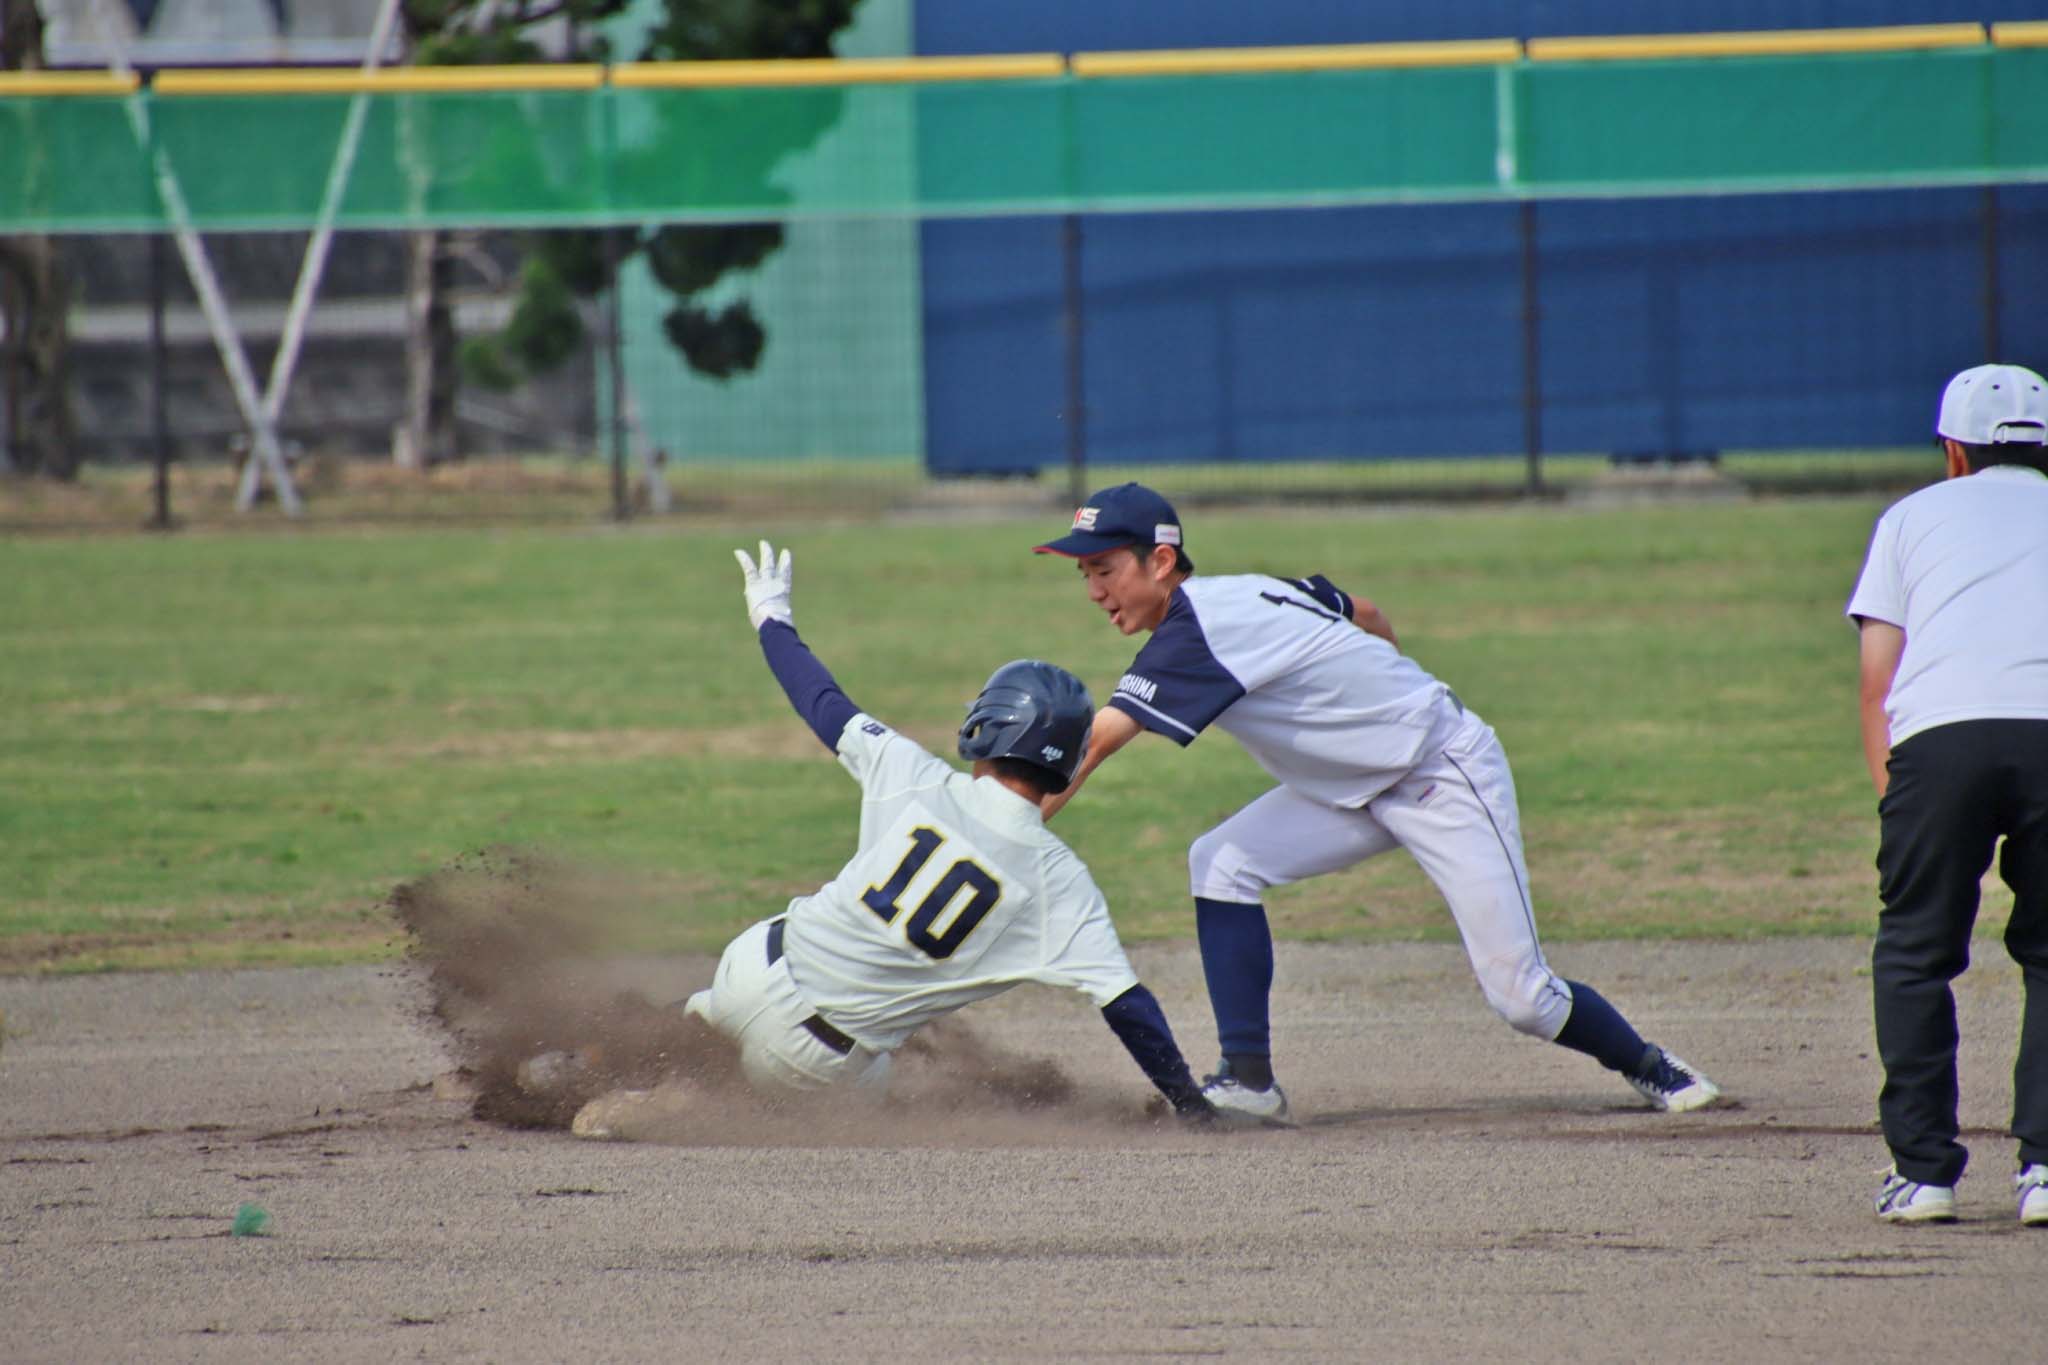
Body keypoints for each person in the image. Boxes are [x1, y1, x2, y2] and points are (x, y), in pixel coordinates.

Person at [1032, 483, 1722, 1125]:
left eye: (1104, 568)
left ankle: (1654, 1067)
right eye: (1083, 574)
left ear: (1159, 559)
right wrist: (1386, 679)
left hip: (1441, 774)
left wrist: (1010, 823)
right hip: (1352, 786)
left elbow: (1091, 746)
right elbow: (1364, 612)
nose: (1093, 590)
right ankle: (1248, 1079)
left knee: (1523, 998)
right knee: (1219, 863)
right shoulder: (1239, 592)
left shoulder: (1195, 632)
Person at [644, 540, 1215, 1123]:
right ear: (1067, 764)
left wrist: (771, 615)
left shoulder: (910, 772)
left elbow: (820, 699)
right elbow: (1129, 1007)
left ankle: (628, 1049)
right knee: (878, 1074)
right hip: (808, 1063)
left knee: (706, 1011)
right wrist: (1193, 1106)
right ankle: (671, 1109)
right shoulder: (1061, 882)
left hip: (750, 969)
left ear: (984, 731)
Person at [1846, 363, 2048, 1226]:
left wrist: (1902, 802)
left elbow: (1876, 684)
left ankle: (1924, 1174)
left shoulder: (1910, 517)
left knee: (1915, 952)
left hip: (1942, 741)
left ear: (1952, 452)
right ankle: (2045, 1173)